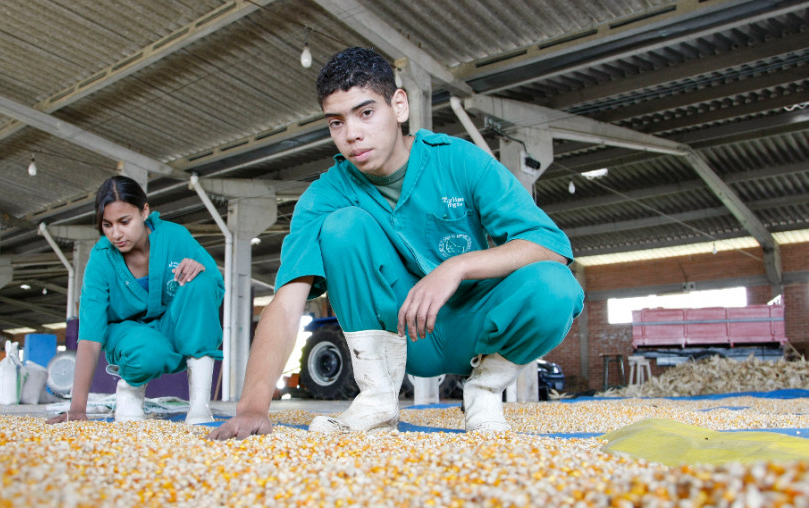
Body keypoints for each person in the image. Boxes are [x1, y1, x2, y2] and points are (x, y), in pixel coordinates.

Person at [209, 47, 583, 440]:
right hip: (405, 337)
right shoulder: (324, 197)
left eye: (365, 112)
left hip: (479, 327)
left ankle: (484, 391)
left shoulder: (458, 161)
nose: (351, 134)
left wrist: (456, 267)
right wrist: (252, 407)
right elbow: (287, 303)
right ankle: (377, 400)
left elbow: (549, 244)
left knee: (556, 287)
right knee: (343, 227)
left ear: (400, 106)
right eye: (336, 122)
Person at [47, 175, 224, 424]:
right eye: (107, 225)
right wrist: (77, 408)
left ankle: (199, 405)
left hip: (172, 327)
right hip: (128, 336)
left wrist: (197, 267)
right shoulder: (101, 259)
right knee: (149, 350)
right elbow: (90, 337)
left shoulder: (176, 237)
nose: (116, 234)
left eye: (124, 221)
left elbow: (215, 287)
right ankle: (129, 390)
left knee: (202, 280)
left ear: (144, 211)